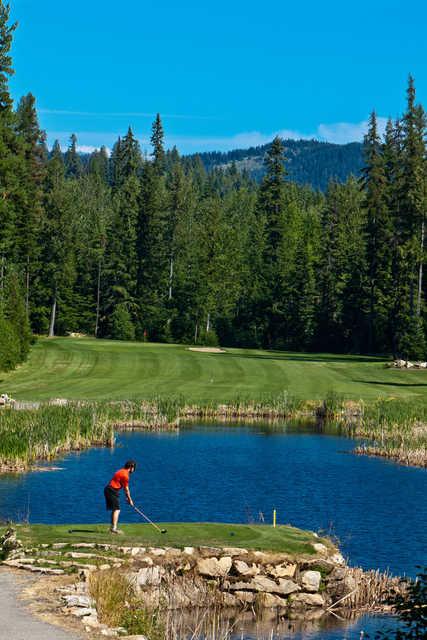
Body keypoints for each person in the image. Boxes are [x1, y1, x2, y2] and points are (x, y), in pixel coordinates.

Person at [104, 460, 136, 534]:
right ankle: (114, 529)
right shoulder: (125, 475)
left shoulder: (121, 471)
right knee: (117, 510)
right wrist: (130, 499)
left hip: (110, 490)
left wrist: (127, 497)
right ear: (131, 467)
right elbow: (126, 489)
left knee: (115, 509)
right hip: (111, 490)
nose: (133, 470)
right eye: (134, 468)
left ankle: (112, 528)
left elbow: (121, 485)